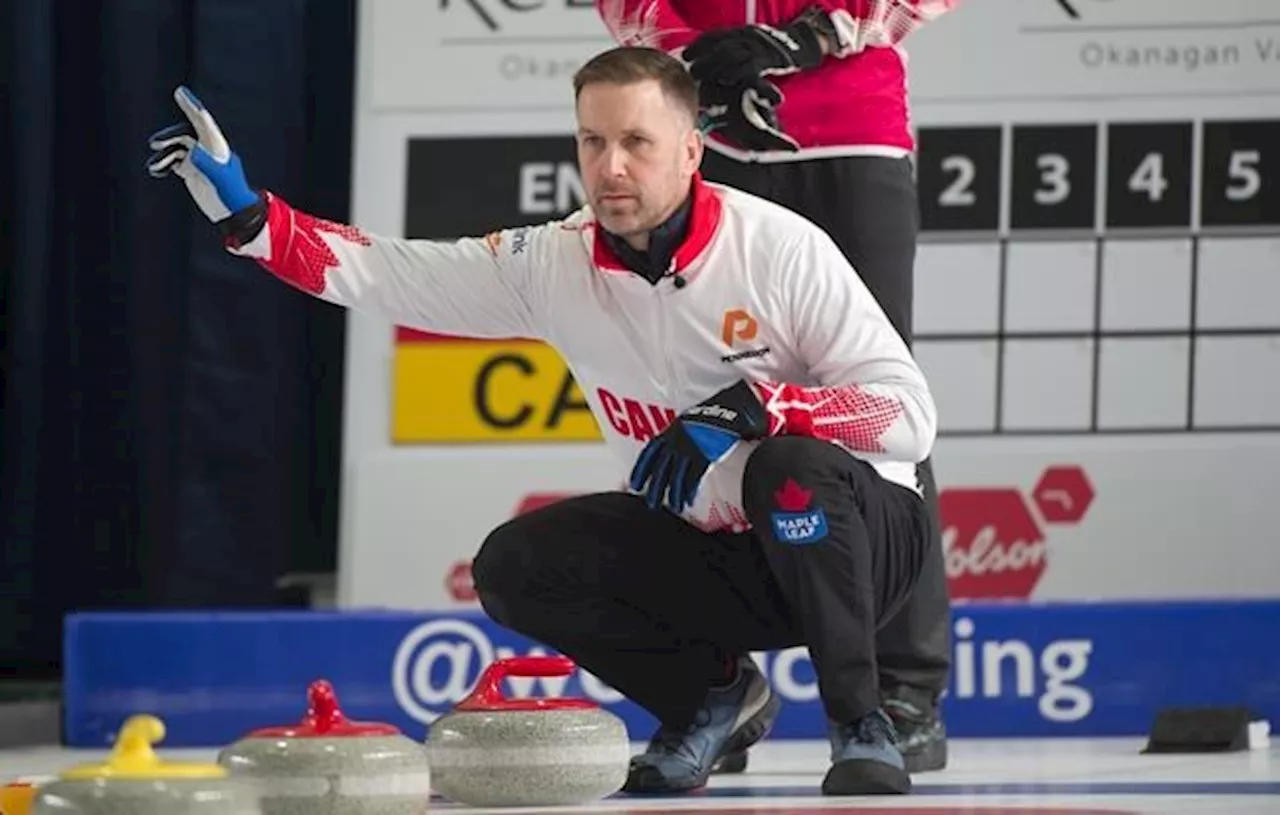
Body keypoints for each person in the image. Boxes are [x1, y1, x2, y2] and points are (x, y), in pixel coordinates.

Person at [146, 46, 938, 797]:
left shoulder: (779, 250)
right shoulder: (551, 260)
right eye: (593, 141)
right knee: (517, 563)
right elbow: (392, 273)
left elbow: (909, 419)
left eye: (636, 141)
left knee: (787, 470)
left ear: (693, 151)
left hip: (861, 549)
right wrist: (253, 221)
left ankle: (858, 720)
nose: (611, 166)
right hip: (724, 557)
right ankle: (712, 698)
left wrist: (762, 405)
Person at [596, 0, 961, 775]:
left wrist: (806, 37)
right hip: (704, 124)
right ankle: (714, 688)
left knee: (874, 404)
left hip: (851, 122)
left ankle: (904, 689)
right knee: (704, 404)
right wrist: (695, 58)